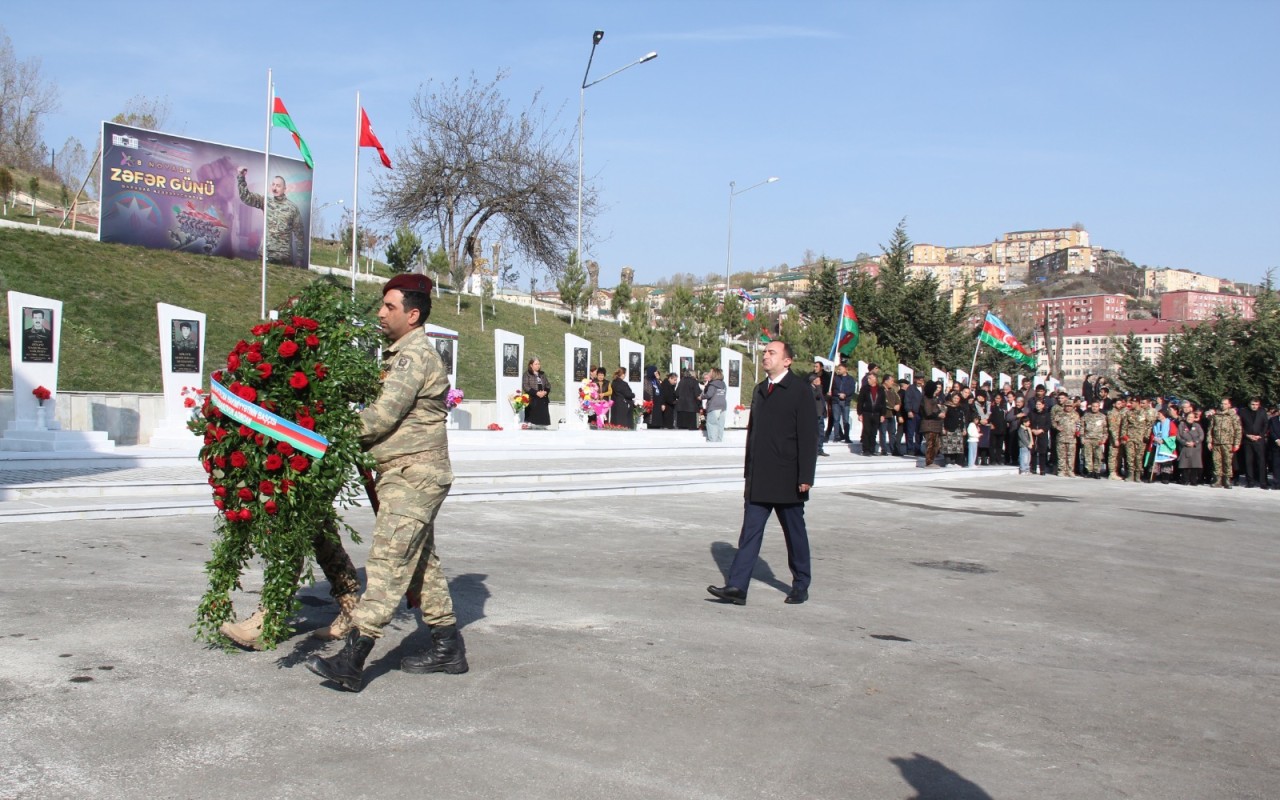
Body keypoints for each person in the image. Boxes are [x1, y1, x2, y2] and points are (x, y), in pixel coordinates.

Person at [306, 273, 466, 692]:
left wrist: (326, 432)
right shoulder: (401, 354)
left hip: (414, 473)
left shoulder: (414, 357)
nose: (380, 312)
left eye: (389, 306)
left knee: (387, 563)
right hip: (406, 473)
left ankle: (351, 659)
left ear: (412, 315)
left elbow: (381, 417)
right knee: (420, 564)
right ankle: (448, 646)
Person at [707, 340, 817, 606]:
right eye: (764, 352)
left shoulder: (800, 390)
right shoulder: (759, 390)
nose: (765, 356)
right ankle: (737, 587)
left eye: (771, 353)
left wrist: (806, 477)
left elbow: (808, 435)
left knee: (794, 534)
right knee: (750, 534)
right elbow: (753, 436)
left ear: (787, 361)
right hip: (759, 477)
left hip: (788, 477)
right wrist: (749, 471)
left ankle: (801, 584)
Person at [236, 168, 304, 266]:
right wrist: (241, 177)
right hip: (265, 255)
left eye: (278, 186)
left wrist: (299, 258)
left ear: (285, 189)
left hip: (283, 258)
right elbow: (246, 197)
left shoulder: (292, 208)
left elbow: (299, 234)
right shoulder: (265, 202)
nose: (275, 188)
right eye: (273, 184)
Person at [1207, 397, 1241, 488]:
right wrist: (1209, 441)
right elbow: (1210, 429)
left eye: (1225, 404)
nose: (1223, 405)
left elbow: (1238, 430)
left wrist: (1237, 443)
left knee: (1227, 462)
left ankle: (1227, 480)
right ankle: (1217, 480)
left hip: (1228, 442)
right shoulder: (1216, 415)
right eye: (1222, 403)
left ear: (1229, 405)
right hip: (1216, 442)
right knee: (1216, 461)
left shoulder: (1233, 416)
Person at [1238, 397, 1268, 489]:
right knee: (1248, 461)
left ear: (1259, 405)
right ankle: (1250, 482)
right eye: (1253, 404)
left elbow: (1265, 424)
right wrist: (1247, 435)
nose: (1254, 406)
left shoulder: (1262, 412)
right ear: (1249, 404)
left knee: (1261, 461)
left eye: (1256, 405)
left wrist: (1260, 435)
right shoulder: (1243, 412)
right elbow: (1240, 425)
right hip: (1247, 440)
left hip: (1259, 440)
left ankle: (1263, 482)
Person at [857, 373, 886, 456]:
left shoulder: (880, 389)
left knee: (874, 432)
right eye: (868, 378)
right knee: (866, 431)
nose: (868, 380)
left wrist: (882, 414)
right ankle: (865, 450)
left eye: (870, 378)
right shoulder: (864, 388)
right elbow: (860, 401)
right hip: (867, 413)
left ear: (875, 379)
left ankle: (872, 449)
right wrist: (860, 413)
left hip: (877, 413)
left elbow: (883, 402)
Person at [1080, 400, 1109, 478]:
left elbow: (1105, 429)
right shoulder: (1086, 416)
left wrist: (1104, 438)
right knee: (1088, 455)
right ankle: (1089, 471)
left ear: (1099, 407)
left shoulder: (1103, 417)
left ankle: (1097, 471)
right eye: (1093, 406)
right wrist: (1082, 438)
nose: (1094, 408)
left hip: (1098, 439)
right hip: (1088, 438)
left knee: (1098, 456)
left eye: (1096, 406)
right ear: (1090, 407)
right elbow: (1082, 427)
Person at [919, 380, 945, 468]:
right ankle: (929, 462)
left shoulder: (932, 399)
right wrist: (938, 414)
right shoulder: (926, 399)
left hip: (935, 425)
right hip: (929, 425)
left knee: (936, 444)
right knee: (931, 444)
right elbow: (928, 412)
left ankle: (931, 460)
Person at [829, 363, 856, 443]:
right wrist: (838, 394)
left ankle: (847, 436)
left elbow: (852, 389)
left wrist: (845, 394)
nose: (838, 370)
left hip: (845, 401)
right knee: (836, 419)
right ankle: (837, 436)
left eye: (840, 369)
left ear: (845, 369)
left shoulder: (850, 379)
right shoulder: (835, 378)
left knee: (846, 420)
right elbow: (833, 389)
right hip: (836, 401)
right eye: (838, 369)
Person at [1177, 409, 1205, 486]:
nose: (1190, 418)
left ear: (1194, 418)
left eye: (1192, 417)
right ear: (1186, 417)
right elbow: (1178, 436)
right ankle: (1185, 480)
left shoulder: (1197, 425)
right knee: (1185, 464)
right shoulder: (1181, 425)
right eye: (1189, 417)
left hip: (1195, 448)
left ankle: (1193, 481)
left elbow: (1201, 436)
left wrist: (1195, 443)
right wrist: (1185, 443)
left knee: (1194, 465)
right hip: (1185, 447)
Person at [521, 357, 552, 428]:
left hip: (543, 399)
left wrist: (545, 392)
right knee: (532, 421)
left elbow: (548, 385)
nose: (538, 365)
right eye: (536, 364)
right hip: (533, 399)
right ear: (531, 365)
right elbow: (525, 386)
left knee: (542, 422)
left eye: (539, 364)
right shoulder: (527, 374)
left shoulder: (542, 374)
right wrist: (536, 393)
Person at [1028, 398, 1052, 476]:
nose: (1038, 406)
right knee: (1033, 452)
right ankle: (1033, 468)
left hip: (1042, 434)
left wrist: (1042, 430)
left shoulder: (1046, 414)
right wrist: (1032, 429)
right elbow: (1028, 422)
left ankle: (1042, 469)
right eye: (1037, 404)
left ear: (1043, 405)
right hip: (1033, 434)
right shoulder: (1032, 413)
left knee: (1042, 452)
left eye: (1039, 404)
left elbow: (1048, 424)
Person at [702, 368, 728, 442]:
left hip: (714, 406)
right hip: (723, 406)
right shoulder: (723, 384)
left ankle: (712, 442)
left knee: (711, 424)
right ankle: (719, 441)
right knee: (720, 425)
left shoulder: (713, 384)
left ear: (714, 374)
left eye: (710, 372)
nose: (709, 373)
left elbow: (709, 394)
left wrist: (701, 397)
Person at [881, 376, 903, 457]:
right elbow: (883, 401)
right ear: (885, 381)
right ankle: (884, 449)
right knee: (883, 432)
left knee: (892, 433)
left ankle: (893, 449)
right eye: (891, 381)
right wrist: (893, 406)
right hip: (884, 414)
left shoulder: (892, 391)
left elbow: (898, 399)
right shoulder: (881, 390)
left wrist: (898, 405)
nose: (892, 383)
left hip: (891, 415)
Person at [903, 374, 924, 456]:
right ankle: (910, 449)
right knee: (910, 432)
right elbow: (907, 400)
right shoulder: (911, 388)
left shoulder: (923, 389)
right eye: (918, 380)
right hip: (913, 413)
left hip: (921, 414)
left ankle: (918, 448)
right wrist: (908, 410)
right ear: (915, 380)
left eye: (921, 380)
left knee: (919, 433)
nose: (920, 382)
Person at [810, 373, 829, 457]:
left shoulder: (818, 389)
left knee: (821, 433)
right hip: (815, 415)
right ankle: (814, 449)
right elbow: (816, 396)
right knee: (815, 434)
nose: (820, 382)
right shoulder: (810, 389)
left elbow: (821, 399)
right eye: (818, 380)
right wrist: (818, 387)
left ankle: (820, 449)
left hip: (820, 414)